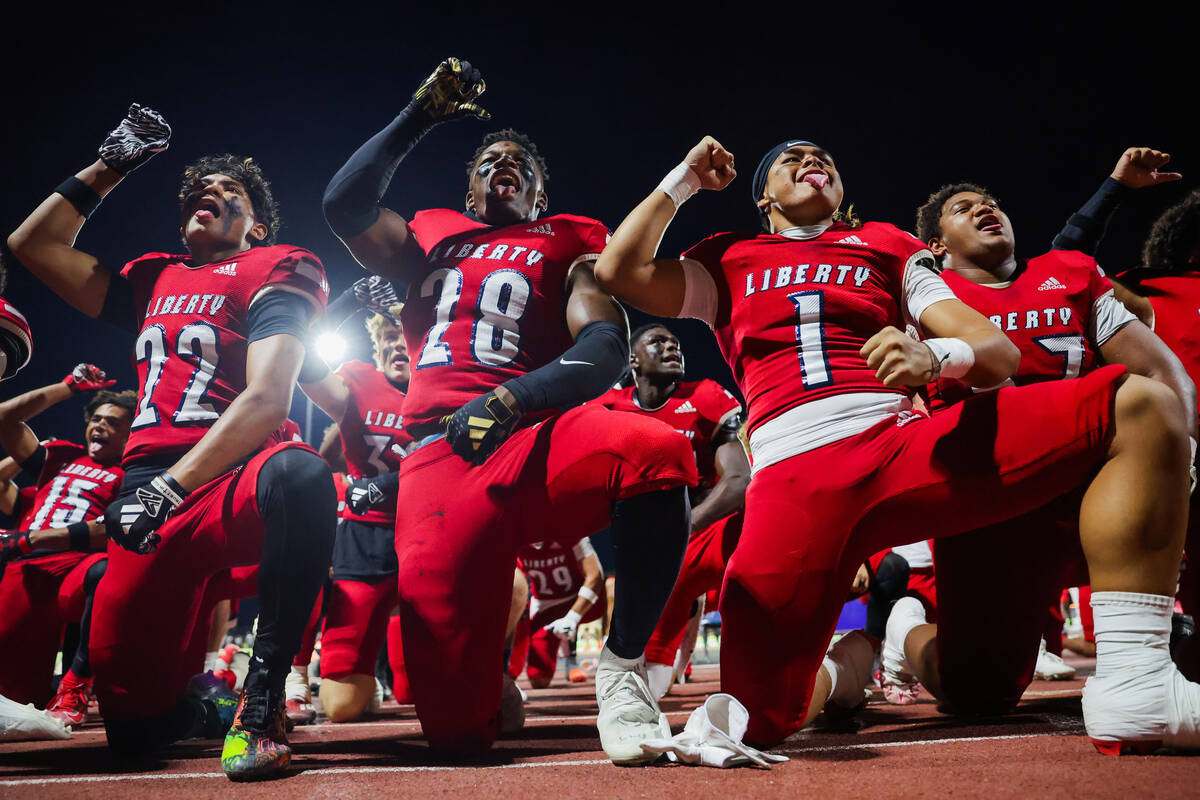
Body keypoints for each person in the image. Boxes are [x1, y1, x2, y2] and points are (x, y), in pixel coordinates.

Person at [593, 134, 1199, 754]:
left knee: (1139, 404)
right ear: (764, 198)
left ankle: (1138, 678)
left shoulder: (886, 243)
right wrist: (685, 179)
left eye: (823, 156)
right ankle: (848, 670)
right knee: (760, 715)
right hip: (794, 479)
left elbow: (996, 353)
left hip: (902, 447)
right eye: (790, 159)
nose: (813, 162)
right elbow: (618, 270)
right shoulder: (732, 257)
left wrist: (935, 354)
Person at [321, 58, 696, 762]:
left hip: (531, 433)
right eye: (491, 157)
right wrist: (420, 115)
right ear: (469, 186)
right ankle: (487, 674)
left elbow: (606, 343)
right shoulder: (432, 233)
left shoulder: (567, 236)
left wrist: (514, 397)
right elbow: (343, 206)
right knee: (458, 733)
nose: (505, 164)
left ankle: (622, 672)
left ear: (539, 188)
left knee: (656, 448)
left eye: (519, 162)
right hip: (439, 455)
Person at [8, 104, 335, 779]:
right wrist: (113, 164)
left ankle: (265, 696)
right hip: (146, 489)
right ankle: (195, 710)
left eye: (229, 191)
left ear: (259, 225)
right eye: (198, 188)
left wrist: (169, 487)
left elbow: (269, 397)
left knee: (302, 475)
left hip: (234, 477)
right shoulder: (151, 277)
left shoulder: (281, 263)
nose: (208, 193)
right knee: (134, 734)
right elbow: (31, 247)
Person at [873, 172, 1196, 722]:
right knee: (978, 695)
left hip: (1093, 480)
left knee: (1149, 409)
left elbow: (1165, 374)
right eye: (964, 208)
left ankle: (1137, 677)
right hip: (989, 497)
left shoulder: (1067, 274)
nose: (984, 210)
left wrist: (1178, 463)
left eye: (992, 202)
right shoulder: (920, 302)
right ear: (934, 244)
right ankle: (906, 628)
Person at [595, 323, 748, 698]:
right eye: (658, 342)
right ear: (633, 359)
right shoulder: (608, 408)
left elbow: (739, 480)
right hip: (644, 541)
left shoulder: (705, 396)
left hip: (703, 529)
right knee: (648, 678)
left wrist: (682, 527)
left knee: (756, 552)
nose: (671, 348)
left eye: (675, 343)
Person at [300, 294, 411, 722]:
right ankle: (367, 676)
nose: (397, 344)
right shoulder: (356, 379)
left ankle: (492, 663)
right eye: (388, 336)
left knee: (513, 584)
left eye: (405, 335)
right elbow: (302, 364)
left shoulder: (443, 383)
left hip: (426, 532)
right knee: (341, 707)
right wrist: (343, 306)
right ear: (376, 345)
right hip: (365, 538)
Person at [0, 368, 133, 724]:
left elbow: (117, 528)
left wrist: (33, 539)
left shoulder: (129, 473)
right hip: (24, 566)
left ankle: (76, 683)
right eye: (97, 419)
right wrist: (68, 387)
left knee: (108, 573)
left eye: (113, 422)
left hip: (76, 564)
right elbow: (5, 419)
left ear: (130, 435)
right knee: (16, 699)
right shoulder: (60, 458)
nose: (101, 426)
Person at [512, 537, 605, 688]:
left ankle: (617, 664)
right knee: (539, 680)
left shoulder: (570, 531)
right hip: (546, 608)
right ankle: (506, 673)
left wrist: (573, 617)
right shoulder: (516, 539)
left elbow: (595, 575)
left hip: (579, 600)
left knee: (612, 588)